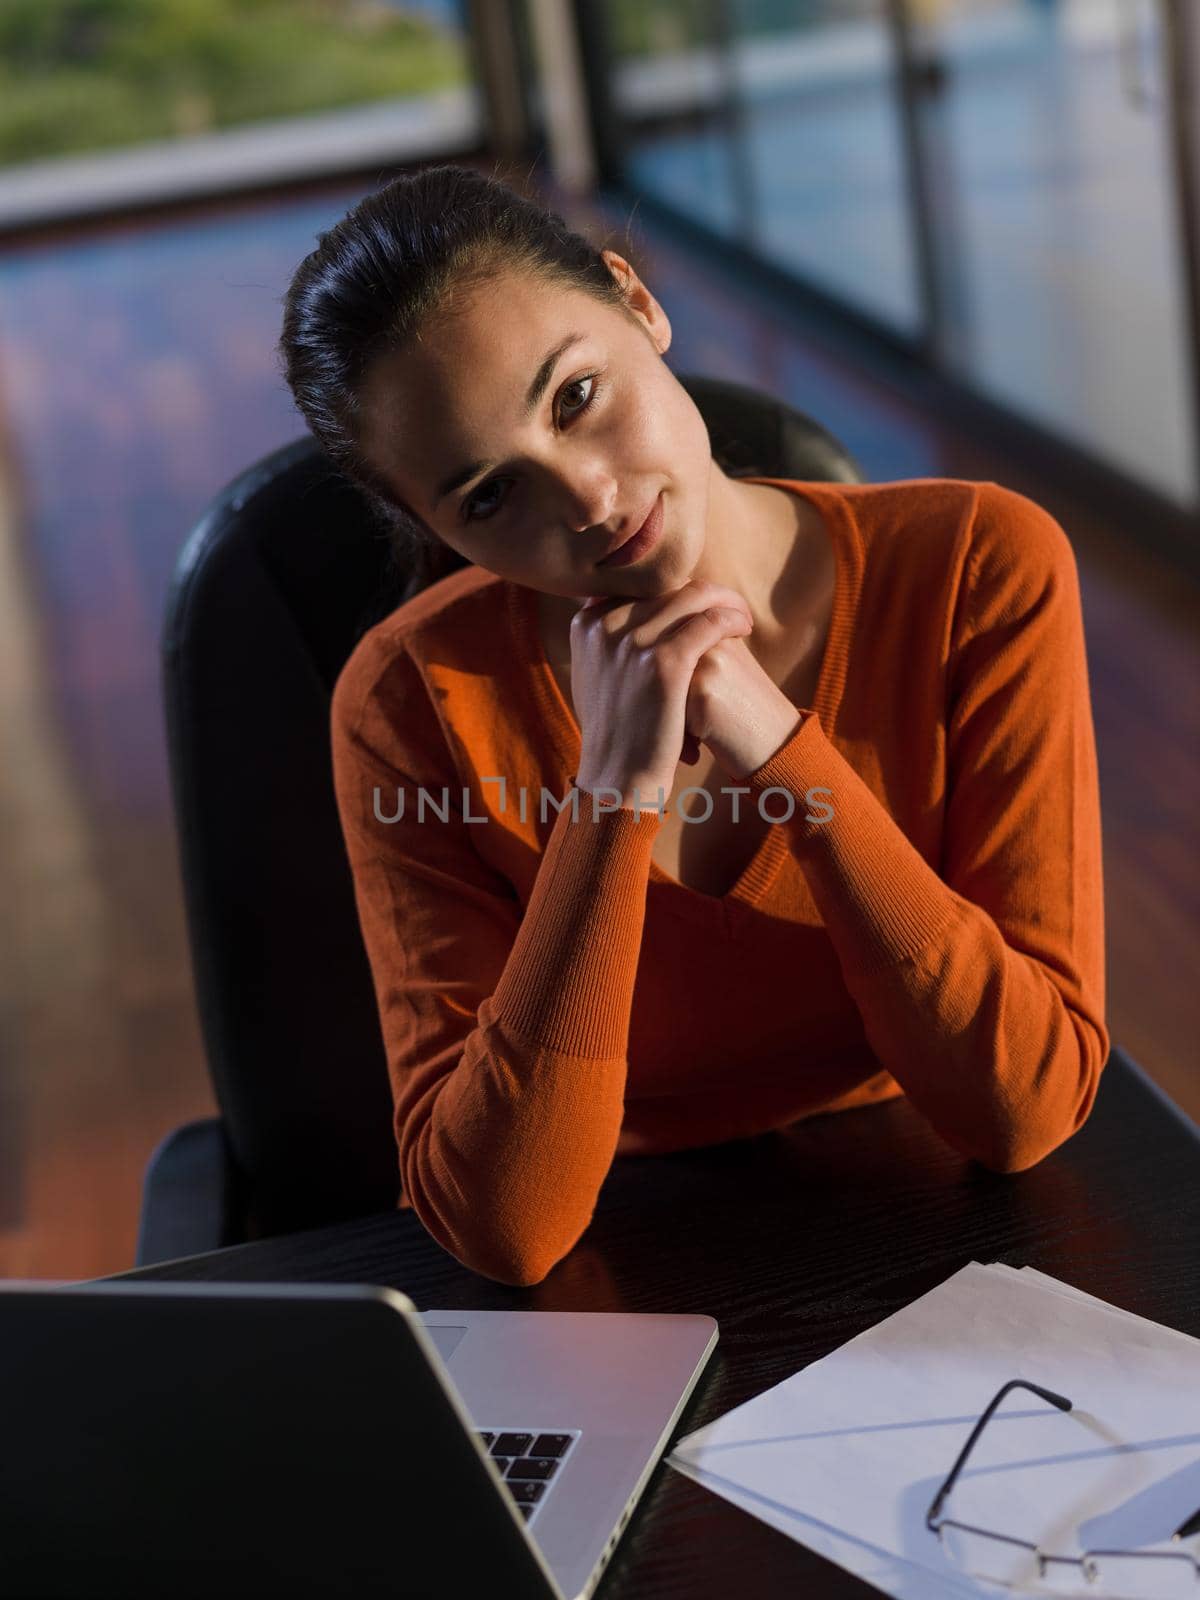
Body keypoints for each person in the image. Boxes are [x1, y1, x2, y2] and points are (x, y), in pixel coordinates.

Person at [278, 162, 1108, 1288]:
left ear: (637, 303)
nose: (588, 499)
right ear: (433, 526)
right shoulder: (403, 704)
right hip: (619, 1269)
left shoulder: (979, 567)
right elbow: (507, 1228)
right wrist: (609, 796)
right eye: (489, 496)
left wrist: (780, 750)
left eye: (575, 397)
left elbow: (1023, 1108)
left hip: (936, 1225)